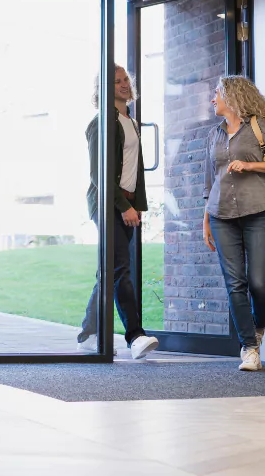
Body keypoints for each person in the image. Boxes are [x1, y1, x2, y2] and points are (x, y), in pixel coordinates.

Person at [202, 75, 265, 372]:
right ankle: (249, 348)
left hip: (258, 212)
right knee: (235, 283)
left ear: (233, 96)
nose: (213, 99)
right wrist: (205, 220)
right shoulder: (214, 134)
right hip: (220, 215)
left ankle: (258, 326)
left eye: (216, 94)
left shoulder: (259, 127)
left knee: (258, 282)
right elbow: (209, 182)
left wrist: (250, 164)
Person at [76, 65, 159, 360]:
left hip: (126, 204)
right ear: (104, 88)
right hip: (106, 204)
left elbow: (135, 172)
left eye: (126, 80)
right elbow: (100, 174)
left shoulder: (130, 122)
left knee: (110, 270)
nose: (124, 84)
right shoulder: (102, 123)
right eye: (117, 81)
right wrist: (124, 207)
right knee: (121, 267)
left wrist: (137, 206)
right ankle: (135, 336)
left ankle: (88, 331)